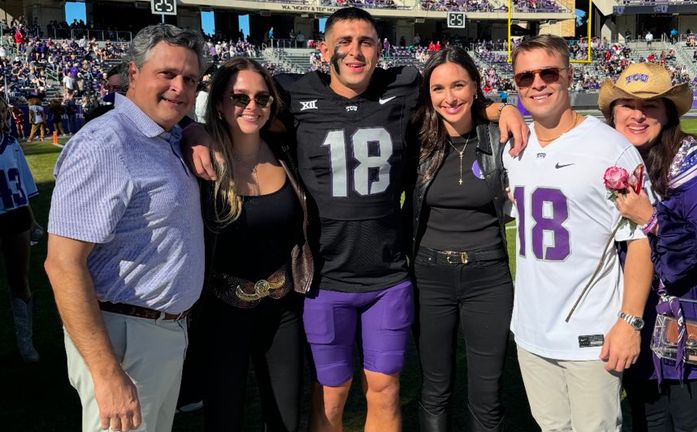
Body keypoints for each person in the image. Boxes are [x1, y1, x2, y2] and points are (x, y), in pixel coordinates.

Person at [184, 8, 527, 431]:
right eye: (343, 42)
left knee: (384, 390)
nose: (355, 51)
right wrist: (193, 131)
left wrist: (498, 110)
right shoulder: (293, 96)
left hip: (388, 277)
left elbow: (452, 95)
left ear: (380, 48)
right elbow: (237, 118)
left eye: (365, 41)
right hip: (325, 279)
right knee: (330, 396)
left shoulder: (401, 87)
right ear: (323, 48)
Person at [44, 24, 205, 432]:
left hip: (158, 332)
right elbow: (63, 265)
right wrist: (107, 372)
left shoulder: (162, 135)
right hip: (123, 338)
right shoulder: (107, 144)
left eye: (189, 79)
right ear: (133, 73)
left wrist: (195, 130)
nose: (179, 87)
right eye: (166, 74)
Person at [502, 35, 653, 431]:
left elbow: (640, 238)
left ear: (569, 76)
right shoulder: (513, 148)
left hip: (591, 332)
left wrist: (630, 321)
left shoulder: (609, 147)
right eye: (524, 77)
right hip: (531, 329)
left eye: (547, 73)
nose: (537, 83)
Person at [598, 62, 697, 432]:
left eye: (651, 106)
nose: (637, 115)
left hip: (690, 316)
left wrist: (653, 218)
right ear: (612, 111)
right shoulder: (599, 159)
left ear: (667, 113)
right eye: (628, 104)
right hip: (629, 314)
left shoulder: (690, 162)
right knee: (647, 420)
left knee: (695, 420)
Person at [198, 57, 313, 431]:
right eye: (240, 97)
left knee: (286, 419)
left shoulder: (285, 150)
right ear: (219, 102)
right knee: (224, 417)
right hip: (221, 312)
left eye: (262, 99)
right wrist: (191, 134)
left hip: (282, 310)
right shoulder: (201, 161)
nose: (252, 107)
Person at [411, 46, 513, 432]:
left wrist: (505, 109)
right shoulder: (416, 138)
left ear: (475, 87)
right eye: (438, 88)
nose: (449, 97)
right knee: (434, 389)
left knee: (487, 396)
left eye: (458, 85)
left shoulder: (499, 136)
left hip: (488, 277)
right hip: (429, 276)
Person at [0, 96, 41, 363]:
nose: (2, 115)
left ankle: (25, 342)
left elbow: (23, 190)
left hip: (15, 218)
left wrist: (33, 220)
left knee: (20, 280)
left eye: (3, 110)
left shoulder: (12, 144)